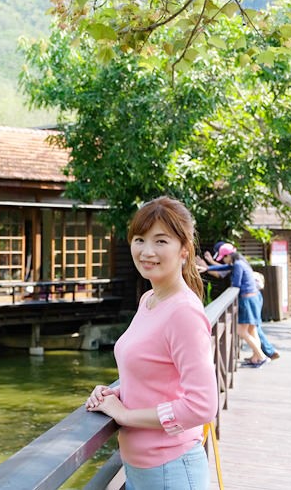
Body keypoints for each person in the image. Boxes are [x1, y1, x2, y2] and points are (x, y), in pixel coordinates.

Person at [85, 197, 217, 490]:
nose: (147, 251)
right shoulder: (150, 300)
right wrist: (114, 394)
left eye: (160, 241)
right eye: (139, 239)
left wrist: (124, 414)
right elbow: (156, 374)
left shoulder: (184, 312)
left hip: (171, 472)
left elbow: (203, 405)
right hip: (141, 471)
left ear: (184, 250)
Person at [200, 242, 277, 365]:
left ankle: (262, 357)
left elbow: (236, 284)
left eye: (224, 258)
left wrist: (209, 268)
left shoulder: (238, 266)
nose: (224, 261)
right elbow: (224, 268)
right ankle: (256, 357)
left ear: (229, 255)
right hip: (254, 298)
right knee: (252, 330)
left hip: (247, 300)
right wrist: (208, 268)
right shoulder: (240, 262)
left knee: (241, 331)